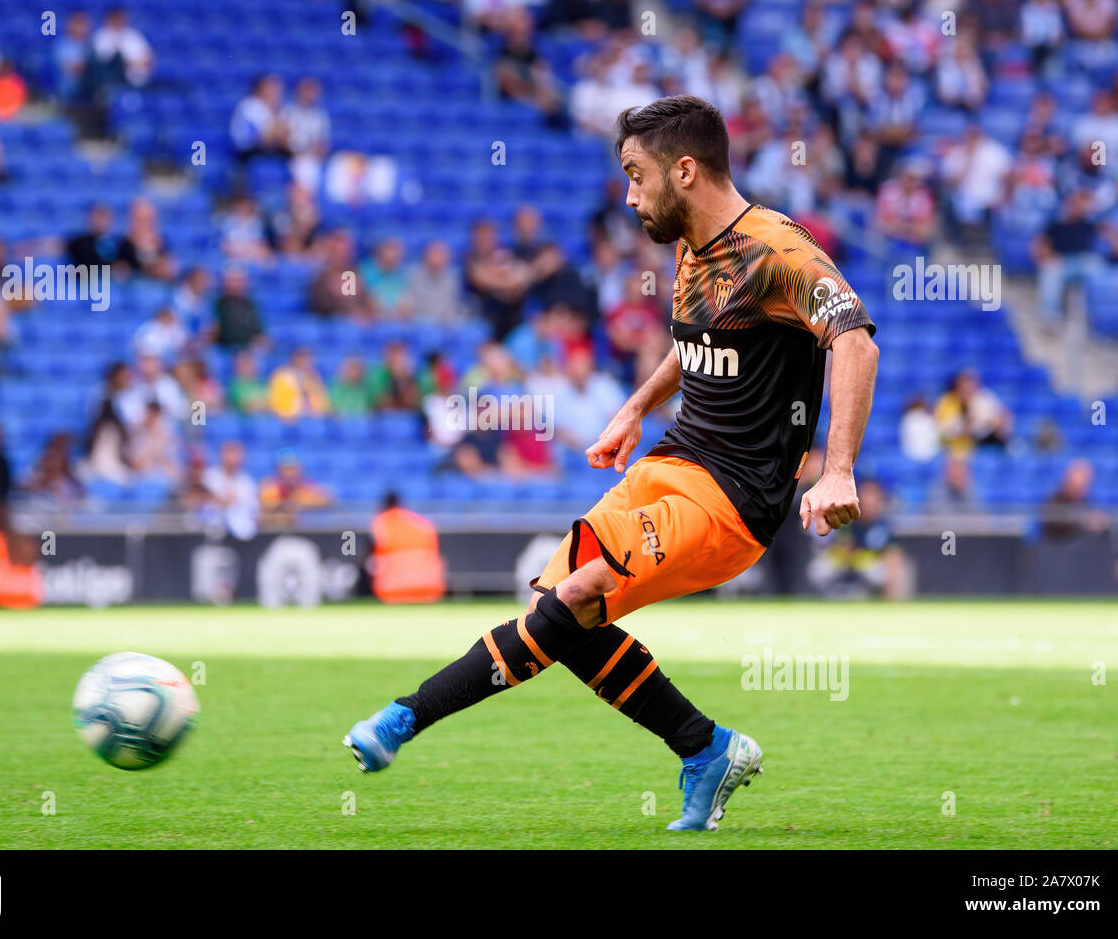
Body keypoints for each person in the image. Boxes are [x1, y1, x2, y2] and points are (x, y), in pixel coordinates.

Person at [343, 96, 879, 832]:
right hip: (673, 461)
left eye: (636, 174)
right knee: (563, 605)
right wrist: (635, 405)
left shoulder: (778, 252)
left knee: (580, 592)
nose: (628, 195)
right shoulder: (695, 243)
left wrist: (839, 468)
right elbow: (698, 344)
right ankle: (706, 747)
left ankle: (404, 717)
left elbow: (853, 337)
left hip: (734, 499)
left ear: (684, 170)